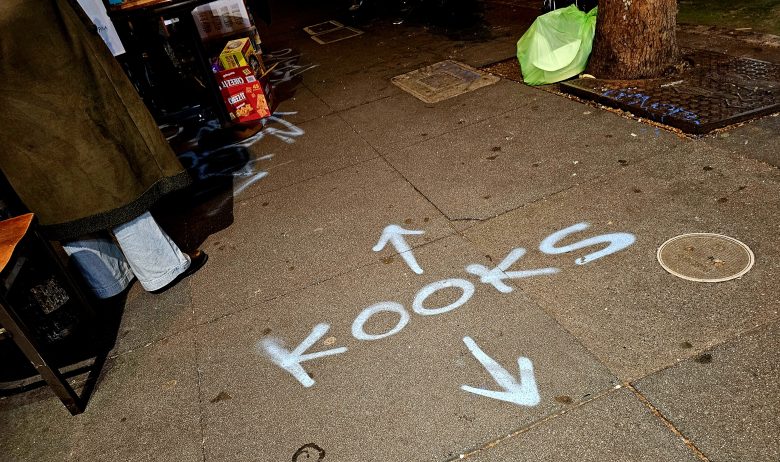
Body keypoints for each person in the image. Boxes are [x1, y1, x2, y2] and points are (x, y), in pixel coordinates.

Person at [0, 0, 206, 298]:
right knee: (101, 162)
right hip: (38, 40)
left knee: (45, 184)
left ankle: (108, 279)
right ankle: (159, 267)